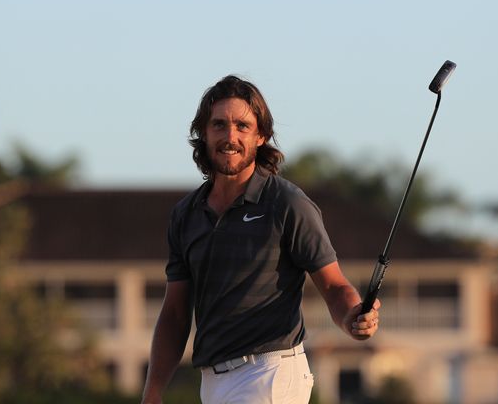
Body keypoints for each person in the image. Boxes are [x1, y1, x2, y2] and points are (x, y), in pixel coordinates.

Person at [141, 75, 381, 404]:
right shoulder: (186, 215)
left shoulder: (286, 203)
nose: (230, 136)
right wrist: (152, 394)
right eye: (219, 124)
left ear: (261, 136)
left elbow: (335, 286)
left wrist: (353, 314)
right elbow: (174, 315)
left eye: (242, 126)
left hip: (270, 375)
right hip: (212, 382)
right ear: (203, 133)